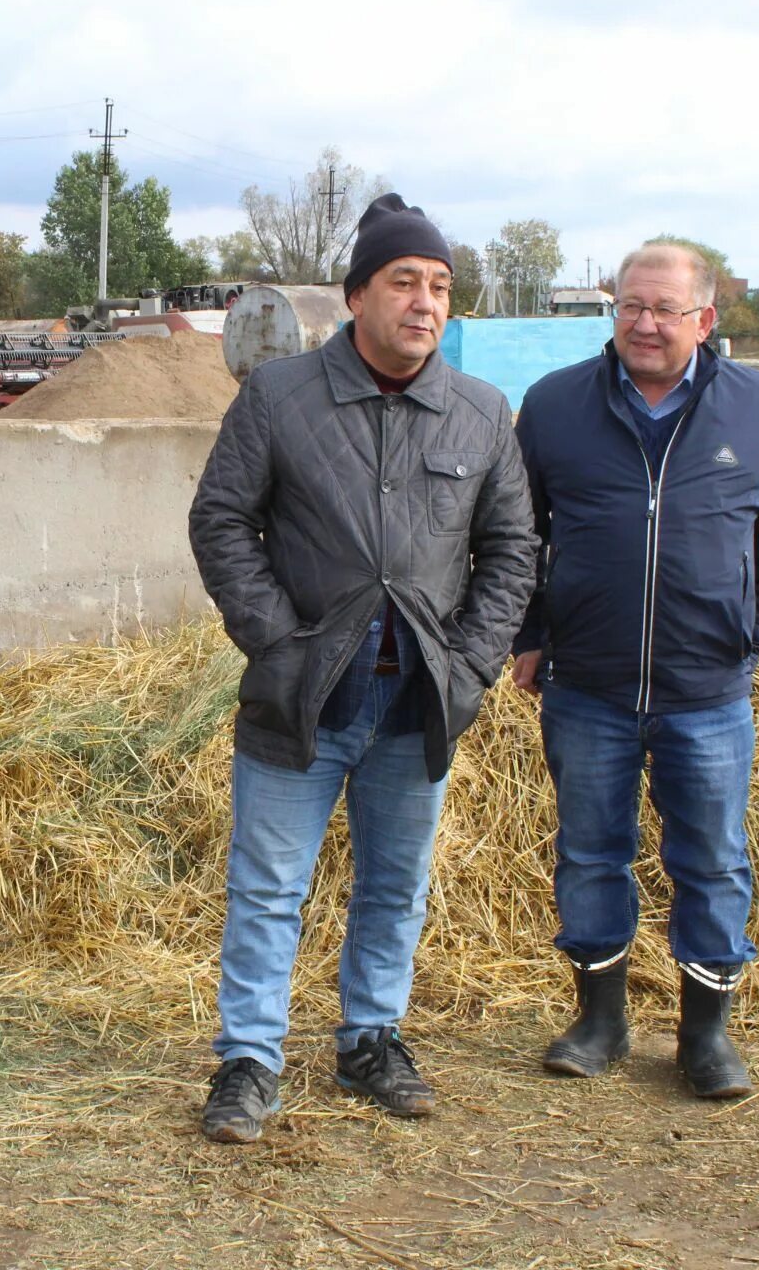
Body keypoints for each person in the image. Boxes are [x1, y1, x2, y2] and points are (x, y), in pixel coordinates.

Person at [188, 195, 538, 1143]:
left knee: (396, 883)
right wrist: (278, 641)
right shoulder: (279, 396)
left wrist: (468, 662)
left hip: (415, 698)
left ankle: (370, 1038)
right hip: (302, 691)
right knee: (269, 884)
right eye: (404, 283)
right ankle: (250, 1060)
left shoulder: (478, 411)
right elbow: (222, 521)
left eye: (439, 287)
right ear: (356, 297)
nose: (424, 303)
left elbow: (512, 551)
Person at [510, 243, 759, 1098]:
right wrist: (530, 630)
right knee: (592, 852)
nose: (643, 323)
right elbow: (519, 534)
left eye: (664, 310)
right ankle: (599, 1022)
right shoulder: (557, 405)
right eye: (630, 305)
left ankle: (705, 1038)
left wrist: (753, 632)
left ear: (703, 321)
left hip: (707, 691)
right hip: (588, 685)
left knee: (711, 859)